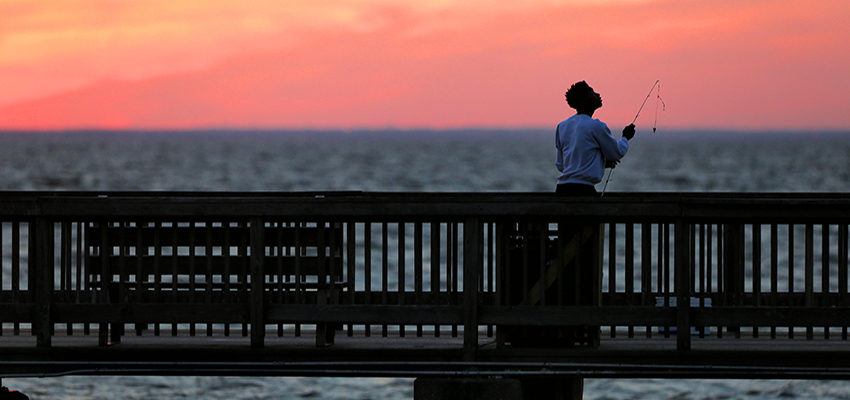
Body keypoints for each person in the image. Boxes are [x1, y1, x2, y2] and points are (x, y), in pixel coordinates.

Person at [555, 81, 636, 196]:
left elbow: (561, 165)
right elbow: (616, 153)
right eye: (592, 91)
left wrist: (600, 162)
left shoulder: (562, 126)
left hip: (561, 190)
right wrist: (625, 137)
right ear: (584, 101)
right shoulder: (596, 126)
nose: (597, 94)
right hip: (583, 190)